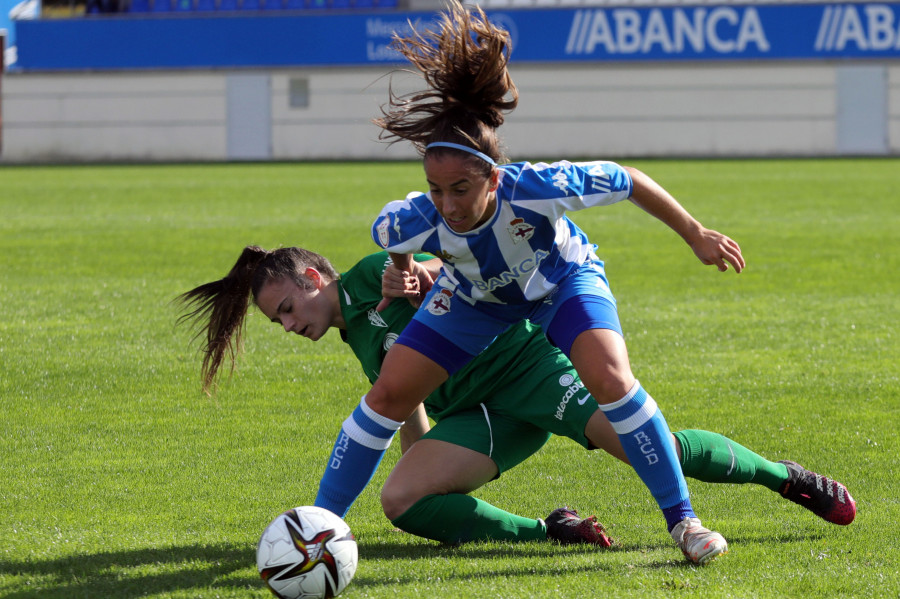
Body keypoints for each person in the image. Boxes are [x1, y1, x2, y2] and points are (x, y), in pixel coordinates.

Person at [312, 0, 755, 565]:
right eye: (435, 188)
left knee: (611, 378)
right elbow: (389, 236)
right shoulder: (415, 216)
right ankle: (319, 528)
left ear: (494, 177)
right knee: (389, 395)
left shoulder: (538, 187)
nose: (447, 204)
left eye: (461, 188)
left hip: (561, 283)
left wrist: (695, 234)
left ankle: (685, 523)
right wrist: (401, 270)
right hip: (476, 300)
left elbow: (628, 179)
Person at [177, 247, 856, 552]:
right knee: (401, 502)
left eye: (290, 307)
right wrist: (421, 461)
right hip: (479, 415)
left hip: (528, 366)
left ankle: (786, 477)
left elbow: (430, 270)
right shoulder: (351, 333)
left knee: (656, 450)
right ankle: (549, 531)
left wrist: (416, 278)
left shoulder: (365, 279)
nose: (290, 324)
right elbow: (398, 396)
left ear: (317, 276)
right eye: (278, 321)